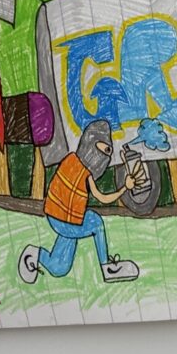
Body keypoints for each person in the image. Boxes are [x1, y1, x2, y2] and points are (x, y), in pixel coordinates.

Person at [18, 119, 146, 284]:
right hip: (64, 220)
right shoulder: (83, 171)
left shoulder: (71, 160)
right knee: (96, 222)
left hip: (63, 219)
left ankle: (35, 254)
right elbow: (102, 198)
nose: (105, 154)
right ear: (90, 143)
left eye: (108, 150)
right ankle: (107, 268)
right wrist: (125, 188)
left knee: (59, 267)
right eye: (103, 148)